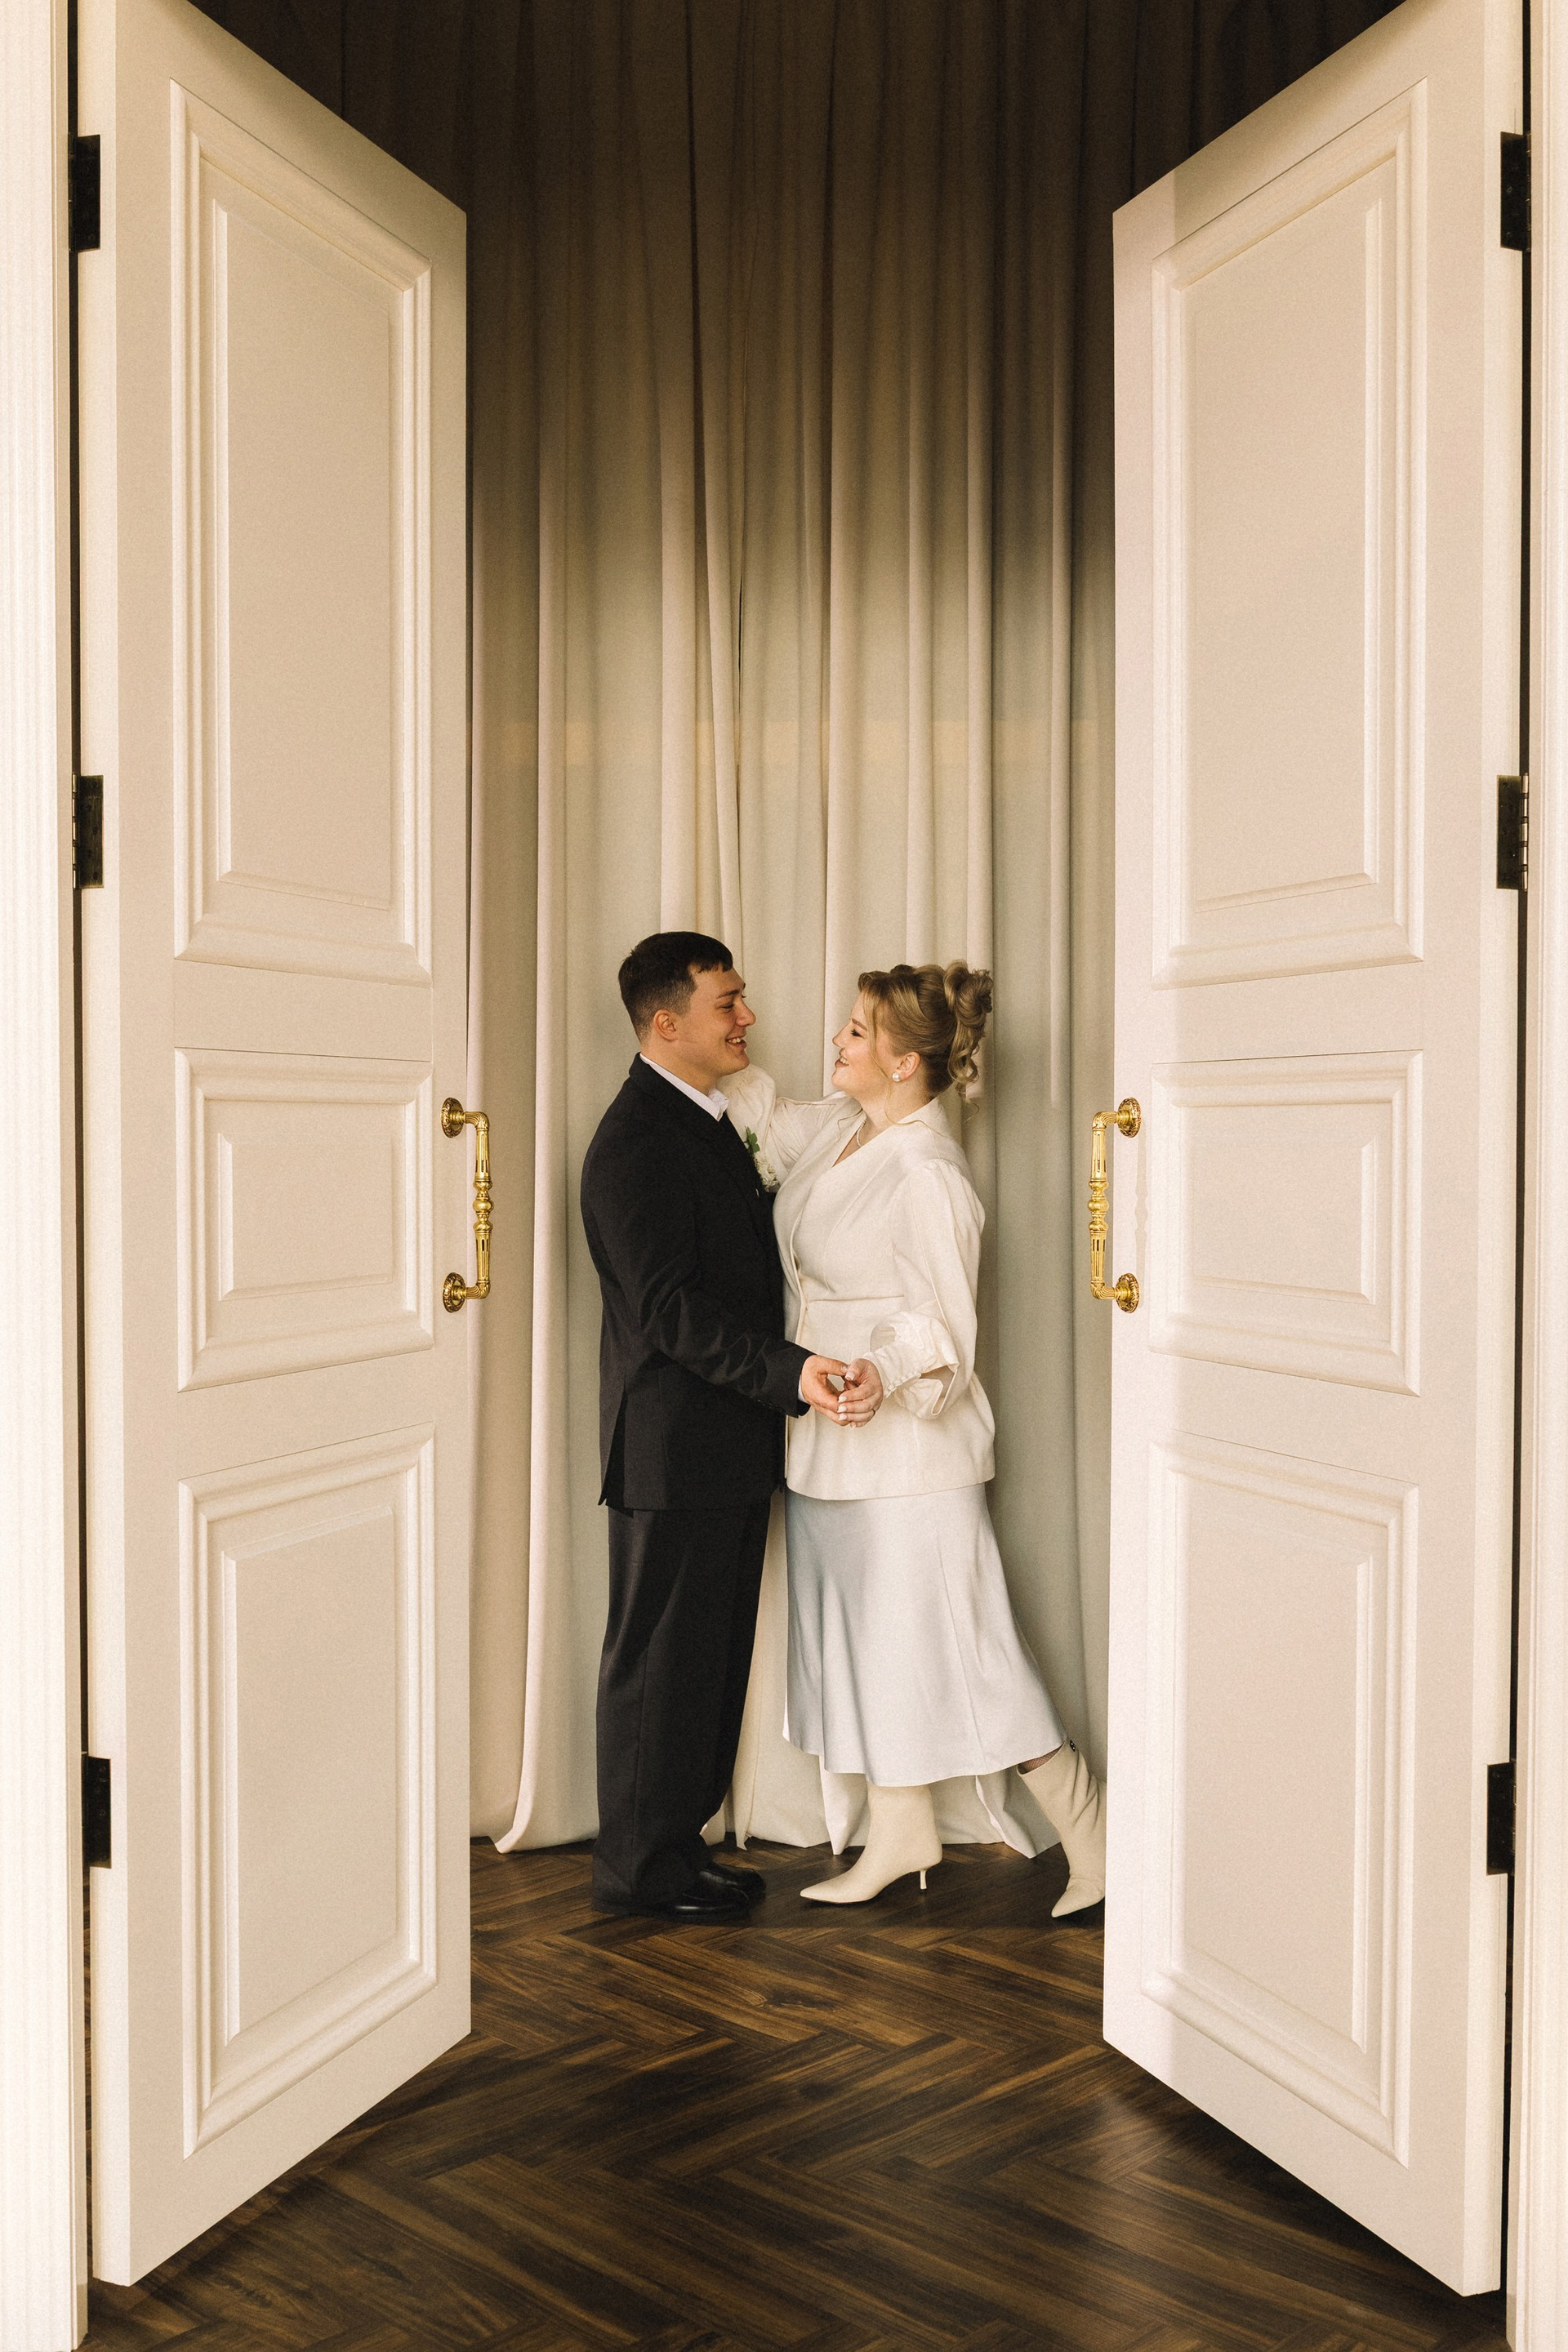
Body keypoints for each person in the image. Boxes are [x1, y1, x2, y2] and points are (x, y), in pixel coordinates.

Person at [722, 962, 1107, 1915]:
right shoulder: (841, 1130)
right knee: (866, 1648)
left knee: (970, 1654)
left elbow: (943, 1325)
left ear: (903, 1061)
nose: (837, 1040)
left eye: (857, 1031)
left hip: (908, 1457)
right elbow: (757, 1115)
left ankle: (1096, 1833)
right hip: (826, 1442)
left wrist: (879, 1372)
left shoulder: (930, 1173)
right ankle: (900, 1834)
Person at [579, 932, 849, 1920]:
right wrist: (792, 1373)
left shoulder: (705, 1118)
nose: (747, 1018)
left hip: (723, 1445)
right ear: (667, 1024)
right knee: (657, 1667)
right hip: (672, 1452)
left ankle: (675, 1851)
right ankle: (636, 1872)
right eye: (727, 1003)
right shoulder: (635, 1143)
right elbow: (669, 1313)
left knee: (702, 1666)